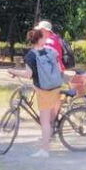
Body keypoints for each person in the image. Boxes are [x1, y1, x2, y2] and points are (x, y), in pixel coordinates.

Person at [11, 28, 62, 158]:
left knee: (44, 122)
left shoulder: (30, 55)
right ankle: (49, 139)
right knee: (50, 119)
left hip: (43, 90)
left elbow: (28, 74)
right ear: (40, 39)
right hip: (56, 86)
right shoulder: (51, 52)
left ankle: (45, 150)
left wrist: (14, 71)